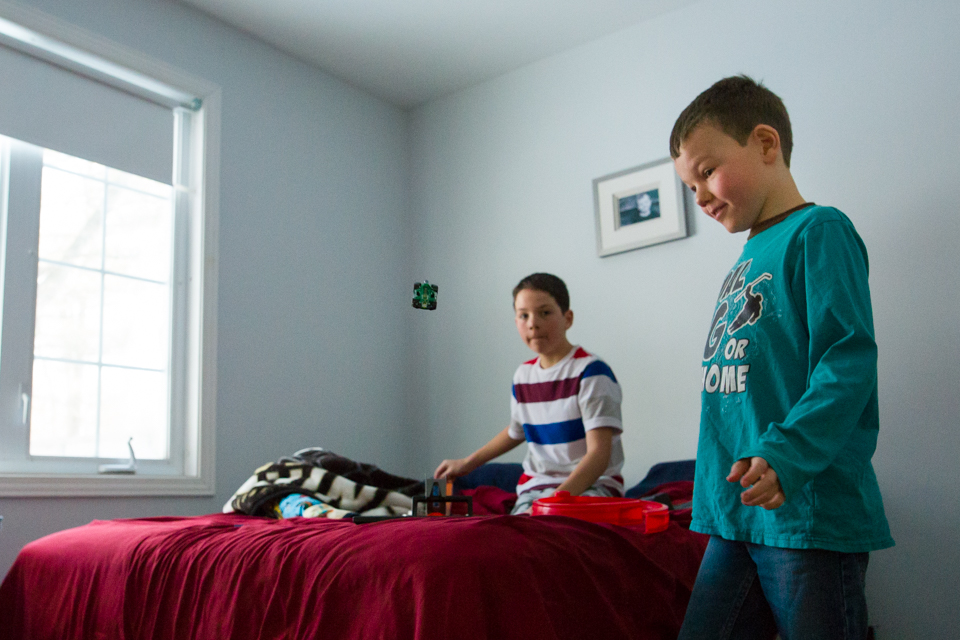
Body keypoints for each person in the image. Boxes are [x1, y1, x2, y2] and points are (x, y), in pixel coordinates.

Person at [670, 75, 894, 639]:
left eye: (706, 171)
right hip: (737, 512)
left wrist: (786, 456)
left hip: (804, 513)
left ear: (766, 144)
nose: (698, 195)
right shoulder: (749, 253)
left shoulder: (819, 231)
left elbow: (847, 362)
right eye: (688, 186)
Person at [434, 273, 624, 515]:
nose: (533, 323)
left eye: (545, 313)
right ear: (516, 322)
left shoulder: (592, 372)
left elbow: (599, 454)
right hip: (536, 488)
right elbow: (517, 429)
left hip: (590, 487)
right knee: (516, 538)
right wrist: (467, 463)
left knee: (555, 533)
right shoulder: (523, 376)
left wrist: (558, 499)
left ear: (568, 318)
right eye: (524, 315)